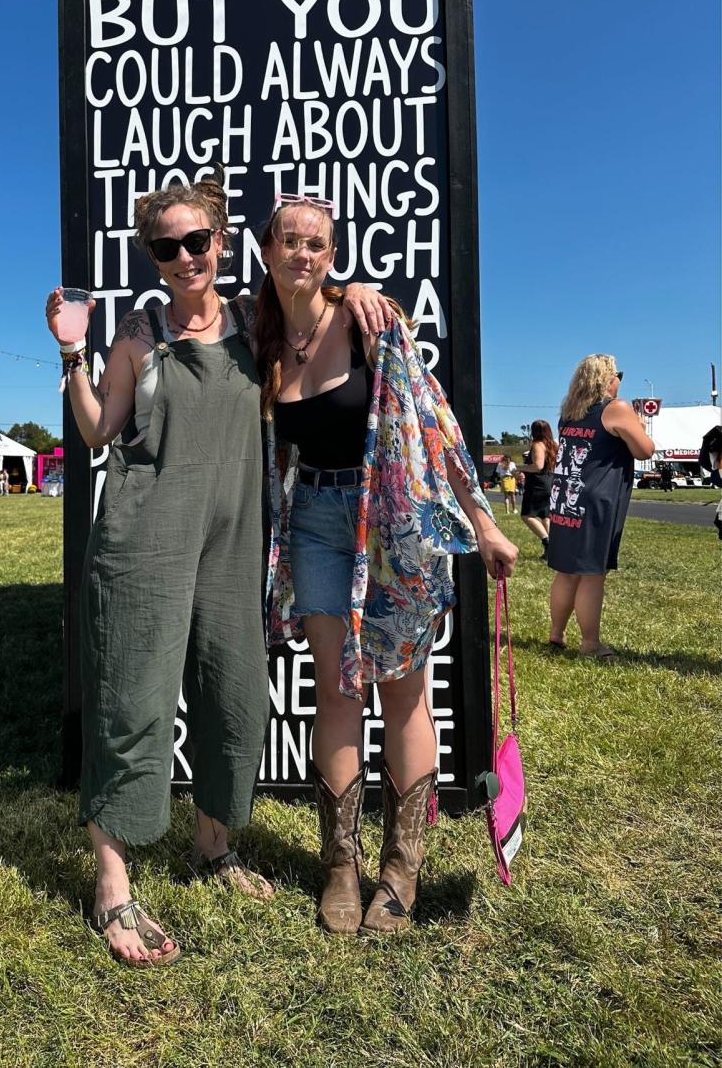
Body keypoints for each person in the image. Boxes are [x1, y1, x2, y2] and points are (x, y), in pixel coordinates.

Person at [45, 172, 395, 967]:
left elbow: (314, 302)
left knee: (234, 696)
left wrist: (359, 287)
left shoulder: (253, 324)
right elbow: (99, 431)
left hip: (234, 546)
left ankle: (213, 846)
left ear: (222, 243)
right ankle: (112, 883)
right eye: (164, 246)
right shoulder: (137, 337)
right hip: (143, 543)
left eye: (195, 241)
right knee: (132, 701)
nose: (181, 257)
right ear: (153, 254)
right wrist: (71, 351)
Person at [257, 197, 519, 935]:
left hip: (390, 523)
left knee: (404, 690)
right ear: (268, 251)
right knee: (337, 689)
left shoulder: (371, 321)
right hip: (311, 519)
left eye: (316, 243)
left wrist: (485, 522)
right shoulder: (265, 339)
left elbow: (436, 422)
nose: (302, 253)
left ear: (331, 256)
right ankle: (340, 863)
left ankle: (402, 865)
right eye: (289, 240)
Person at [547, 356, 654, 660]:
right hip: (596, 500)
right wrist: (640, 426)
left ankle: (556, 634)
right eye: (618, 373)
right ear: (607, 378)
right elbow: (644, 449)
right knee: (593, 573)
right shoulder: (616, 408)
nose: (620, 379)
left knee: (566, 571)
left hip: (567, 497)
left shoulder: (569, 413)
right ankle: (590, 644)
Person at [516, 420, 558, 560]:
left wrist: (519, 467)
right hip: (549, 481)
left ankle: (547, 542)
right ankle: (553, 551)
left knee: (527, 515)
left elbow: (538, 466)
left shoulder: (537, 445)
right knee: (546, 516)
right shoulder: (552, 445)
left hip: (537, 484)